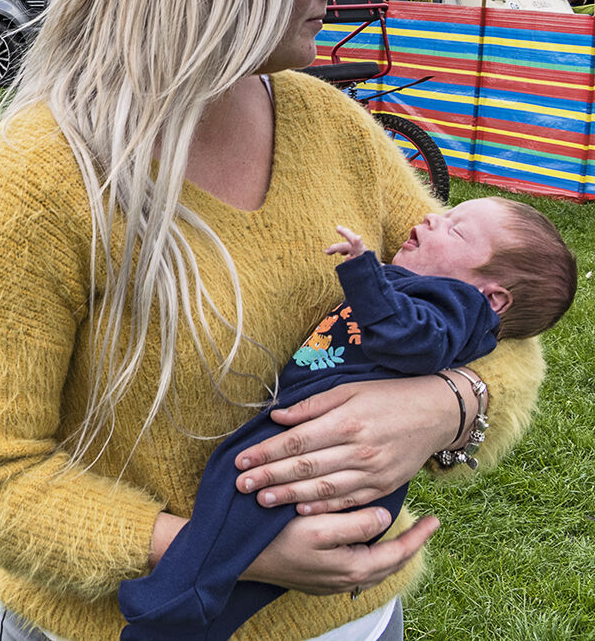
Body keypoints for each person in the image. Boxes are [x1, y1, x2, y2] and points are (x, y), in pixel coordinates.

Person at [0, 0, 547, 641]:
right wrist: (223, 548)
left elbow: (502, 319)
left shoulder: (332, 125)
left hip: (359, 624)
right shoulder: (36, 180)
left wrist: (447, 405)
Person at [118, 198, 575, 639]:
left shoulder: (456, 305)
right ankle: (195, 616)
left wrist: (363, 272)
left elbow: (412, 339)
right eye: (444, 214)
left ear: (492, 299)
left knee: (235, 492)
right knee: (250, 536)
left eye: (454, 229)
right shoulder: (437, 288)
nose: (431, 218)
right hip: (317, 437)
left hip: (324, 445)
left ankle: (172, 598)